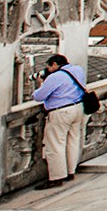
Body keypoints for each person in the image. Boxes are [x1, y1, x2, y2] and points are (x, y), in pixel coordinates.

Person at [31, 53, 88, 189]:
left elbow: (39, 96)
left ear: (55, 65)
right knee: (73, 141)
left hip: (61, 112)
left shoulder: (55, 77)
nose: (48, 70)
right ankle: (70, 172)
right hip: (78, 108)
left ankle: (56, 178)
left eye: (49, 67)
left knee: (56, 144)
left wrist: (41, 84)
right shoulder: (78, 70)